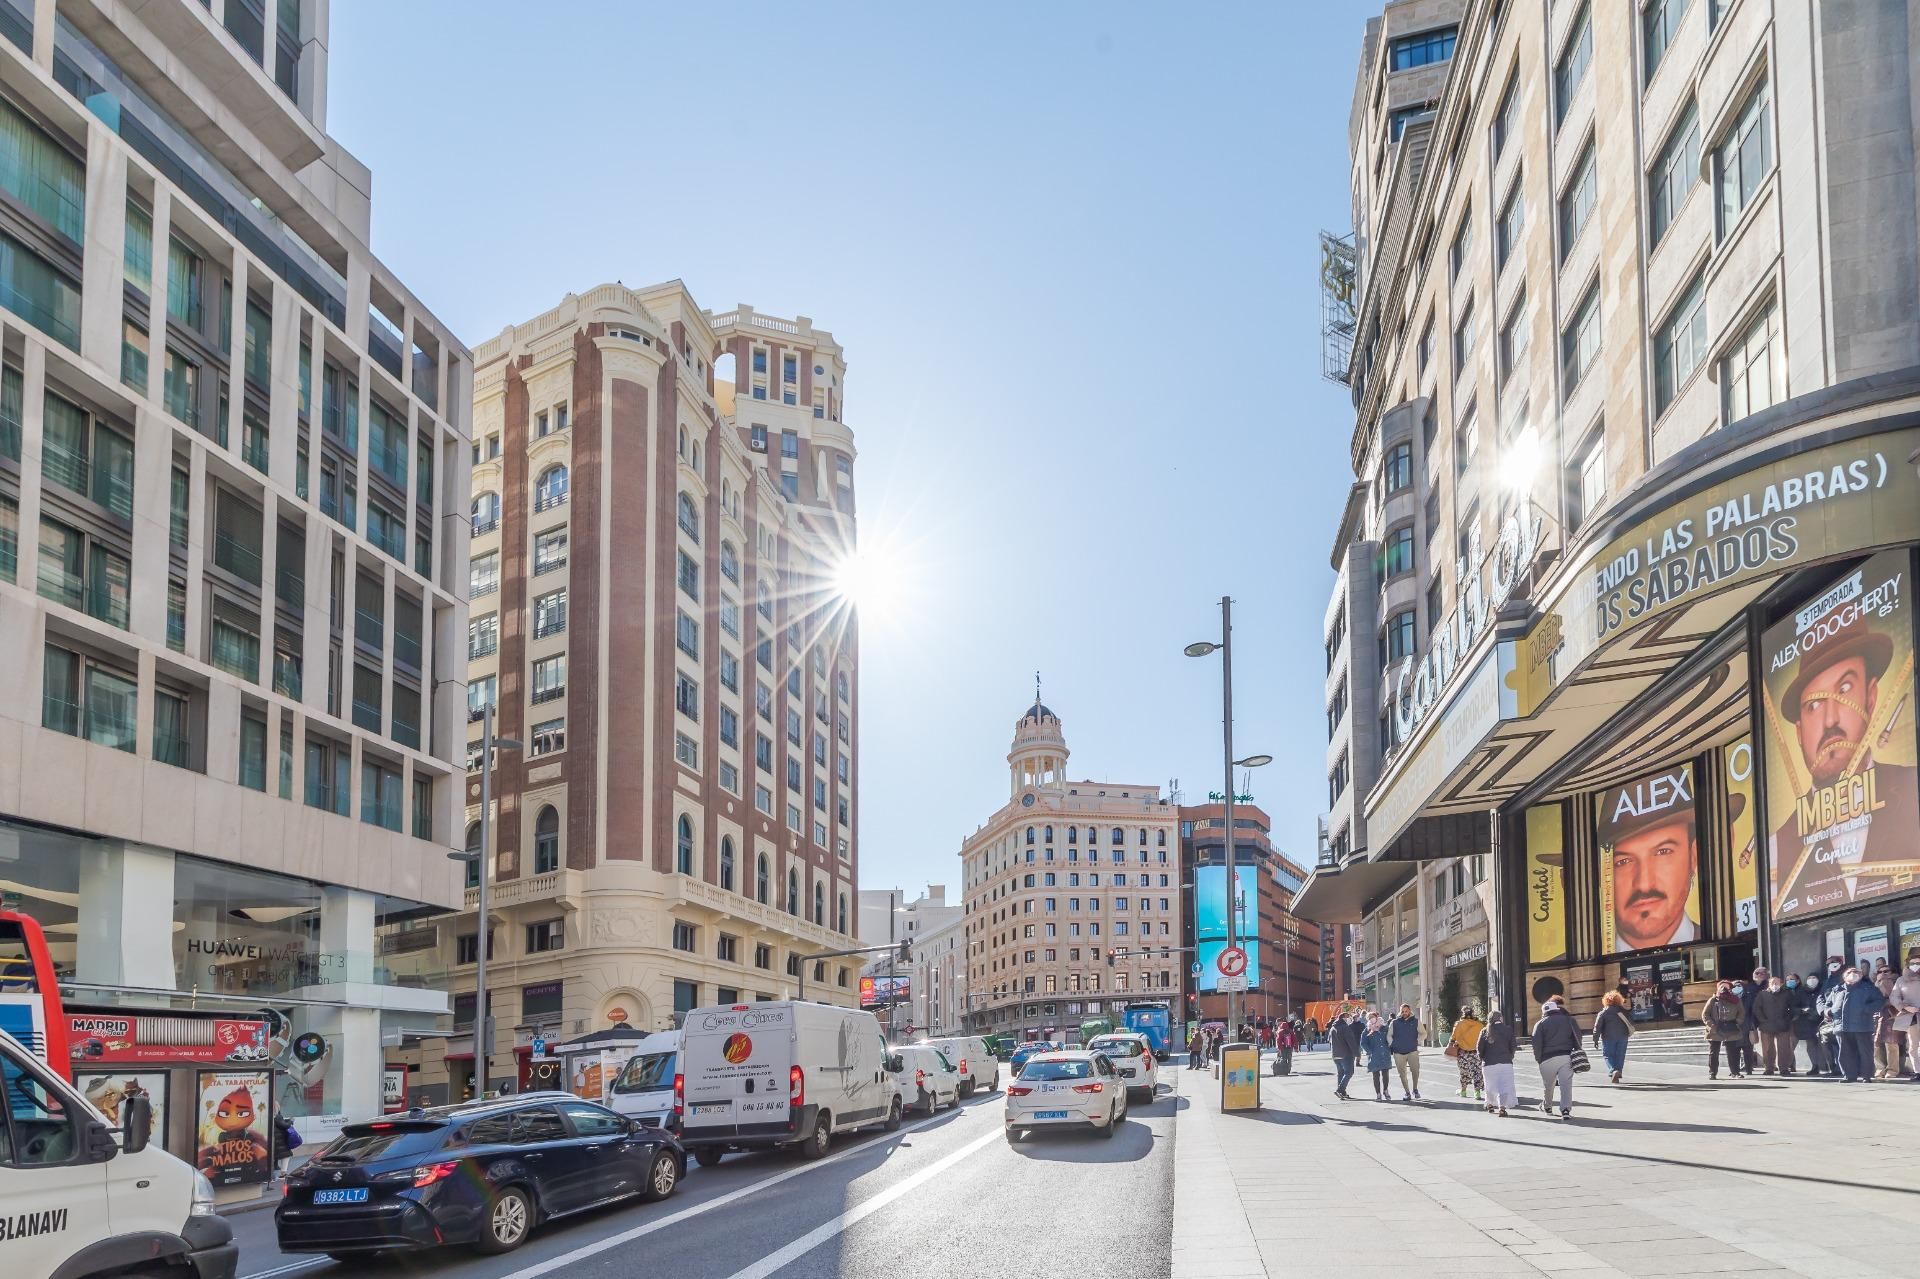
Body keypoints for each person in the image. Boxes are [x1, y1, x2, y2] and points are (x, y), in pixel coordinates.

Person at [1770, 609, 1920, 908]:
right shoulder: (1776, 846)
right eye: (1814, 706)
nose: (1830, 720)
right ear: (1798, 731)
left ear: (1871, 696)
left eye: (1845, 689)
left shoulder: (1911, 787)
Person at [1830, 965, 1887, 1082]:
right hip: (1842, 1027)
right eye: (1850, 972)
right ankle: (1849, 1076)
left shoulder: (1868, 988)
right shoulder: (1837, 989)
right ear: (1844, 977)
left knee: (1865, 1052)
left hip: (1862, 1026)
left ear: (1861, 976)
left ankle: (1866, 1076)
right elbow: (1828, 1003)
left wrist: (1866, 1010)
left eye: (1856, 972)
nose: (1853, 974)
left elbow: (1880, 1001)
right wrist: (1829, 1012)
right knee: (1845, 1053)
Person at [1530, 996, 1579, 1119]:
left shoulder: (1539, 1024)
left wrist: (1539, 1059)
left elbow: (1536, 1044)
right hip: (1565, 1056)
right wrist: (1576, 1050)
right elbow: (1577, 1037)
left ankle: (1547, 1106)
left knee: (1548, 1085)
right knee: (1566, 1085)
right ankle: (1566, 1110)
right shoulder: (1568, 1020)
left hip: (1546, 1058)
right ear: (1556, 1009)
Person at [1702, 980, 1750, 1079]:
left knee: (1733, 1052)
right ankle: (1713, 1073)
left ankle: (1735, 1072)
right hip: (1716, 1028)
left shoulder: (1736, 1000)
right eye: (1722, 986)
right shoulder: (1713, 1000)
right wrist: (1711, 1025)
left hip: (1730, 1027)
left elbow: (1741, 1013)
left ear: (1730, 989)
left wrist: (1737, 1022)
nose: (1724, 989)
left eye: (1726, 987)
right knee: (1714, 1052)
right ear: (1718, 988)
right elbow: (1705, 1014)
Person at [1752, 973, 1797, 1075]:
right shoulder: (1762, 994)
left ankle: (1784, 1068)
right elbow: (1756, 1008)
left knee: (1784, 1048)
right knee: (1768, 1049)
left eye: (1777, 982)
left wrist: (1787, 1019)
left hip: (1782, 1025)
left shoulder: (1786, 994)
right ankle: (1769, 1068)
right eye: (1772, 983)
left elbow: (1792, 1008)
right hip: (1766, 1026)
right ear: (1768, 984)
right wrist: (1762, 1020)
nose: (1774, 984)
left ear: (1781, 984)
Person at [1476, 1008, 1518, 1116]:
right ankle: (1502, 1108)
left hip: (1489, 1063)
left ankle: (1489, 1105)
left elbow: (1479, 1048)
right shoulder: (1508, 1029)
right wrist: (1510, 1056)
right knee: (1504, 1086)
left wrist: (1482, 1058)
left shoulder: (1485, 1030)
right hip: (1506, 1063)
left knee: (1489, 1086)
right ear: (1500, 1018)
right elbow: (1513, 1046)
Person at [1790, 973, 1833, 1075]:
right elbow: (1794, 1007)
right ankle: (1815, 1066)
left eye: (1814, 978)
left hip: (1822, 1022)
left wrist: (1819, 1011)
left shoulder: (1822, 989)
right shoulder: (1801, 992)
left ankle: (1829, 1066)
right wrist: (1803, 1010)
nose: (1812, 980)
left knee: (1824, 1045)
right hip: (1807, 1022)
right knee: (1811, 1046)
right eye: (1809, 978)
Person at [1592, 990, 1633, 1083]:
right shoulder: (1623, 1011)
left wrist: (1595, 1040)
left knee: (1608, 1055)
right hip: (1623, 1036)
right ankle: (1618, 1071)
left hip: (1608, 1037)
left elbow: (1597, 1027)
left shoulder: (1603, 1013)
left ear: (1606, 1000)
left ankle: (1613, 1070)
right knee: (1620, 1055)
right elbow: (1630, 1021)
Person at [1893, 951, 1920, 1084]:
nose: (1915, 965)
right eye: (1912, 963)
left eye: (1918, 963)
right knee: (1913, 1046)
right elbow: (1894, 997)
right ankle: (1918, 1072)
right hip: (1911, 1016)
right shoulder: (1900, 980)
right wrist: (1905, 1007)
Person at [1447, 1006, 1485, 1101]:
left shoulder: (1458, 1024)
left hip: (1463, 1052)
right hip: (1476, 1053)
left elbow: (1453, 1038)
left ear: (1463, 1013)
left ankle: (1463, 1091)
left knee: (1464, 1072)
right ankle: (1477, 1092)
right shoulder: (1479, 1025)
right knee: (1477, 1072)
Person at [1873, 966, 1903, 1079]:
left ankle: (1892, 1070)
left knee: (1891, 1044)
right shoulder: (1873, 985)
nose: (1883, 973)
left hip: (1891, 1016)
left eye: (1886, 971)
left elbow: (1897, 999)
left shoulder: (1897, 984)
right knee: (1876, 1044)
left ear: (1891, 972)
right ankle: (1880, 1069)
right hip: (1877, 1016)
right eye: (1880, 972)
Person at [1388, 1003, 1422, 1100]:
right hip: (1398, 1052)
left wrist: (1417, 1041)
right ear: (1400, 1011)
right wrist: (1393, 1044)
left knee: (1415, 1071)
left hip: (1412, 1051)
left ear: (1409, 1011)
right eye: (1402, 1011)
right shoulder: (1394, 1022)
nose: (1404, 1013)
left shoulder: (1416, 1021)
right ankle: (1407, 1092)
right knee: (1402, 1074)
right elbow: (1389, 1035)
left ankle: (1415, 1089)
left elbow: (1423, 1033)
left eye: (1406, 1011)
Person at [1327, 1008, 1361, 1100]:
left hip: (1335, 1055)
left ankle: (1342, 1092)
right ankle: (1340, 1089)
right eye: (1348, 1017)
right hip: (1346, 1054)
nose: (1349, 1019)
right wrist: (1357, 1053)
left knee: (1341, 1073)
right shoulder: (1345, 1028)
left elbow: (1329, 1040)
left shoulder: (1333, 1028)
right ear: (1343, 1018)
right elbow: (1351, 1042)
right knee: (1349, 1072)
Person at [1361, 1012, 1393, 1100]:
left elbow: (1390, 1037)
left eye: (1373, 1017)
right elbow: (1363, 1043)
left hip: (1384, 1054)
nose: (1372, 1019)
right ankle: (1378, 1093)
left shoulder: (1384, 1028)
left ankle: (1385, 1090)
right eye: (1369, 1018)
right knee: (1376, 1075)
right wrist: (1369, 1051)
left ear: (1376, 1017)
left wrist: (1390, 1048)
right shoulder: (1367, 1030)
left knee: (1385, 1074)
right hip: (1374, 1056)